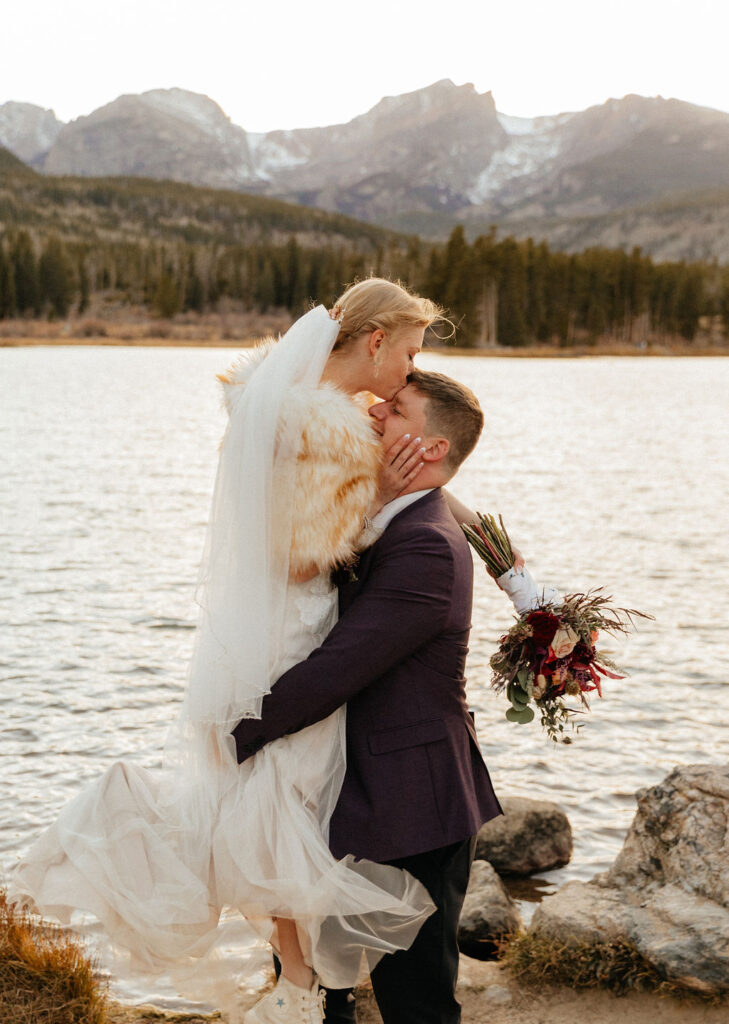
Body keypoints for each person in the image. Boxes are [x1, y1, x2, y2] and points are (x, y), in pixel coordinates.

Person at [9, 279, 469, 1024]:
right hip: (294, 638)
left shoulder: (287, 400)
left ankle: (303, 988)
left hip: (260, 638)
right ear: (375, 340)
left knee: (274, 817)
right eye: (410, 352)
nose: (409, 374)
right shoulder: (331, 431)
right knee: (287, 810)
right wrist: (373, 499)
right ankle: (298, 986)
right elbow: (296, 559)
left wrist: (509, 570)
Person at [232, 369, 503, 1024]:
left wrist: (236, 732)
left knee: (414, 1001)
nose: (378, 413)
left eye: (399, 409)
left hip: (414, 803)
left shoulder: (428, 548)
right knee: (322, 985)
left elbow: (338, 667)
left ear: (431, 448)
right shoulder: (390, 515)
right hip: (346, 790)